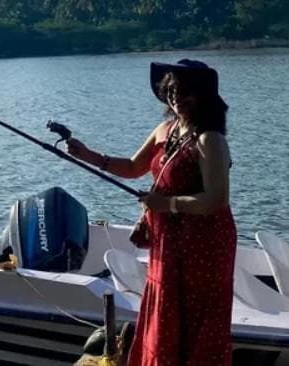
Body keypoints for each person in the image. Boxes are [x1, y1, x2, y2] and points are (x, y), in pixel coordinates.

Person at [65, 59, 236, 366]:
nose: (175, 97)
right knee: (166, 305)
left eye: (184, 91)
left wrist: (167, 204)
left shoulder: (210, 139)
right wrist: (88, 155)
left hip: (204, 242)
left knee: (197, 312)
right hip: (168, 238)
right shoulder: (166, 130)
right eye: (170, 90)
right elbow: (133, 167)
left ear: (202, 95)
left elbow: (217, 199)